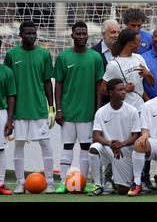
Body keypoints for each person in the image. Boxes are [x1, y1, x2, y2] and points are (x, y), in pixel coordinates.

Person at [53, 21, 104, 194]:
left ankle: (82, 182)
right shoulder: (63, 57)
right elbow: (58, 84)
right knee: (67, 146)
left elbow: (99, 85)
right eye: (78, 34)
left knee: (85, 147)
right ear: (72, 35)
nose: (81, 36)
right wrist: (58, 109)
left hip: (87, 112)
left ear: (87, 35)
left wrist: (98, 109)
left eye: (84, 33)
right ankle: (62, 182)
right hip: (67, 112)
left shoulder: (95, 57)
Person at [4, 21, 55, 194]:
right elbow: (9, 84)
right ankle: (20, 182)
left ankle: (50, 182)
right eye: (27, 33)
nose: (31, 36)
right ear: (20, 35)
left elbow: (48, 82)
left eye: (33, 33)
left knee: (45, 144)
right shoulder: (11, 54)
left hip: (39, 108)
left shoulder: (44, 54)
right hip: (18, 110)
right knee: (18, 145)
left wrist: (51, 108)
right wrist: (9, 117)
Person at [88, 79, 141, 196]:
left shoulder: (132, 110)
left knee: (122, 191)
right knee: (94, 148)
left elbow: (136, 135)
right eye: (120, 90)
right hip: (108, 148)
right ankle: (98, 185)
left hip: (124, 152)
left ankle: (114, 180)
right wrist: (110, 144)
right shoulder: (101, 112)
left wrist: (121, 144)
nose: (124, 92)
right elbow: (96, 136)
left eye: (124, 89)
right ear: (111, 92)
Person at [90, 19, 120, 194]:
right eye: (112, 33)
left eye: (117, 32)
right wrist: (98, 107)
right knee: (99, 143)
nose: (116, 36)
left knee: (116, 141)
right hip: (100, 107)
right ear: (103, 34)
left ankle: (111, 179)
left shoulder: (123, 52)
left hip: (119, 106)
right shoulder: (93, 53)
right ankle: (99, 181)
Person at [101, 28, 155, 112]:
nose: (140, 45)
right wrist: (124, 89)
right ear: (130, 44)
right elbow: (103, 89)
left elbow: (152, 83)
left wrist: (147, 74)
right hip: (122, 110)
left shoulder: (139, 58)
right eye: (138, 42)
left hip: (140, 109)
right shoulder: (114, 64)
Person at [0, 61, 16, 195]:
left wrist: (10, 120)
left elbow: (11, 96)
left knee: (0, 149)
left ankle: (0, 183)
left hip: (1, 113)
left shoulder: (6, 71)